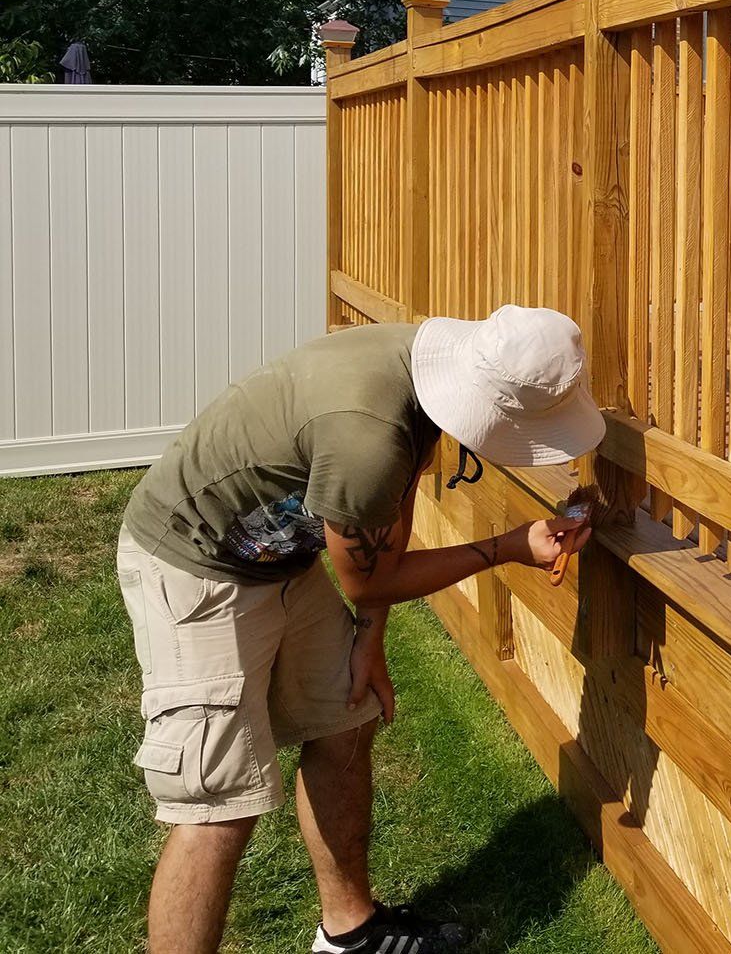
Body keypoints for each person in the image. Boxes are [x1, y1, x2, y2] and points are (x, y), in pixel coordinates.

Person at [116, 305, 607, 954]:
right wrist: (511, 545)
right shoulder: (367, 437)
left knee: (348, 719)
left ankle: (349, 935)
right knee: (218, 803)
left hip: (276, 556)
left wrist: (366, 643)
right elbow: (371, 578)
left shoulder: (421, 375)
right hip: (194, 563)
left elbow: (390, 520)